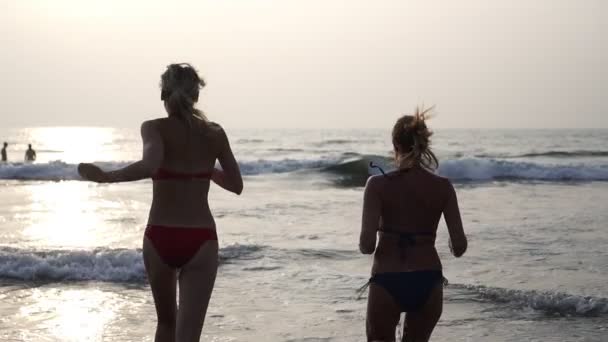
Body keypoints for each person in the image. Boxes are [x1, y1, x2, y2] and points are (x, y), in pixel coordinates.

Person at [78, 63, 243, 342]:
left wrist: (107, 177)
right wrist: (205, 169)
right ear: (196, 97)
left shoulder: (153, 128)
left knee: (166, 325)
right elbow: (236, 185)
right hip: (201, 239)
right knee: (188, 337)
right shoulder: (215, 133)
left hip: (160, 236)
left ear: (164, 95)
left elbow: (150, 165)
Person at [359, 107, 467, 342]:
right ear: (424, 146)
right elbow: (459, 247)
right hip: (428, 281)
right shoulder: (443, 187)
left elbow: (366, 245)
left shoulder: (377, 185)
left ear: (395, 145)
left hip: (388, 279)